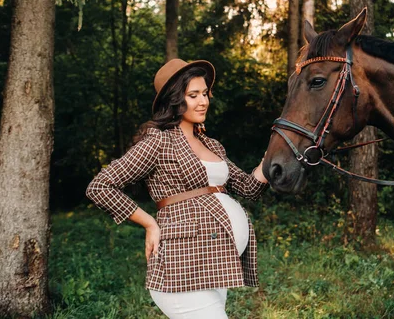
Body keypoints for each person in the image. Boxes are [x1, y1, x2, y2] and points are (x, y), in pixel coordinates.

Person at [86, 59, 269, 318]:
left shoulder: (212, 145)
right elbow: (100, 187)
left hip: (213, 267)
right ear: (174, 100)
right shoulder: (158, 142)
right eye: (193, 95)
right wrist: (149, 222)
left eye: (205, 93)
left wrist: (272, 158)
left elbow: (249, 188)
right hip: (181, 268)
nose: (203, 101)